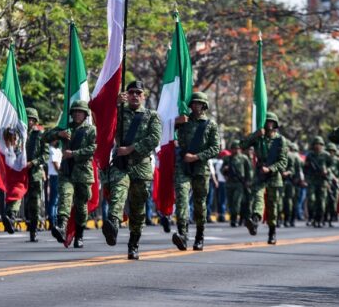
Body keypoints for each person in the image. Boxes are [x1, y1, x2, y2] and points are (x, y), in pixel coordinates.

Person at [101, 81, 162, 260]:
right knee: (117, 194)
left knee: (137, 208)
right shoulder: (118, 112)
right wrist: (114, 104)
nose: (134, 95)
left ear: (143, 96)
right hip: (121, 163)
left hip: (141, 165)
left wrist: (131, 148)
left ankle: (133, 244)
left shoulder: (152, 116)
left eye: (138, 92)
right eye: (131, 92)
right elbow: (103, 124)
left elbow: (154, 138)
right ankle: (112, 225)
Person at [171, 92, 221, 252]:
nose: (196, 106)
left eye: (199, 103)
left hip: (200, 168)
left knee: (200, 204)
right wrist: (174, 122)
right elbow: (162, 130)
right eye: (193, 103)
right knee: (182, 198)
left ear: (204, 105)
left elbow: (215, 148)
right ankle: (183, 234)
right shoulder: (183, 121)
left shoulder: (210, 125)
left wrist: (197, 157)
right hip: (183, 165)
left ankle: (199, 236)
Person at [45, 100, 96, 248]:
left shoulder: (91, 130)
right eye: (74, 111)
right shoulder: (66, 129)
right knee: (65, 198)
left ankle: (79, 235)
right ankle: (61, 226)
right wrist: (57, 133)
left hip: (83, 173)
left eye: (80, 111)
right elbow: (45, 137)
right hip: (66, 171)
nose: (77, 114)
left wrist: (74, 153)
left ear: (85, 114)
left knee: (81, 207)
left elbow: (93, 148)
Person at [242, 111, 288, 245]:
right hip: (260, 175)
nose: (269, 124)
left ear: (275, 124)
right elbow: (243, 145)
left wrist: (270, 168)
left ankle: (272, 231)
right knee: (258, 198)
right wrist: (254, 135)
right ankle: (255, 220)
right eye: (267, 121)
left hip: (273, 177)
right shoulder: (259, 138)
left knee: (272, 206)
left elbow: (283, 162)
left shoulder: (280, 140)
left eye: (271, 122)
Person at [21, 108, 48, 242]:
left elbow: (45, 155)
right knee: (19, 199)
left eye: (32, 119)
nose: (30, 121)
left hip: (35, 173)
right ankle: (12, 217)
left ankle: (33, 230)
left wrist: (34, 162)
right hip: (20, 172)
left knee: (34, 204)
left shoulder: (40, 134)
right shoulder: (20, 133)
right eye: (27, 118)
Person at [223, 141, 251, 228]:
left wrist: (248, 181)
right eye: (235, 148)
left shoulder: (244, 158)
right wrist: (225, 170)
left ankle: (234, 219)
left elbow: (249, 171)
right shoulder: (227, 158)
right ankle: (234, 217)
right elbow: (222, 170)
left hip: (239, 183)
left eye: (238, 148)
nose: (236, 150)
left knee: (237, 201)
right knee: (230, 202)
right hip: (229, 183)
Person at [304, 136, 331, 228]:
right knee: (311, 200)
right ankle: (312, 217)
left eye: (319, 144)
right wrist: (307, 166)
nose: (317, 146)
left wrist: (327, 171)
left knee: (321, 202)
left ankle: (320, 219)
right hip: (312, 180)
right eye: (316, 144)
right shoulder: (310, 155)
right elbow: (305, 169)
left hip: (322, 181)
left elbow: (332, 166)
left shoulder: (326, 155)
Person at [281, 141, 303, 228]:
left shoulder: (294, 157)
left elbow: (298, 171)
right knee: (284, 201)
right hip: (284, 182)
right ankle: (285, 220)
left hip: (293, 182)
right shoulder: (280, 156)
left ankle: (290, 219)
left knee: (291, 202)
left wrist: (298, 180)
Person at [47, 136, 62, 227]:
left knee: (57, 200)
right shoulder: (51, 149)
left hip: (57, 176)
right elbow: (55, 164)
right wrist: (61, 172)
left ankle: (55, 219)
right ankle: (52, 220)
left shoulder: (58, 150)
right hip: (55, 175)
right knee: (54, 199)